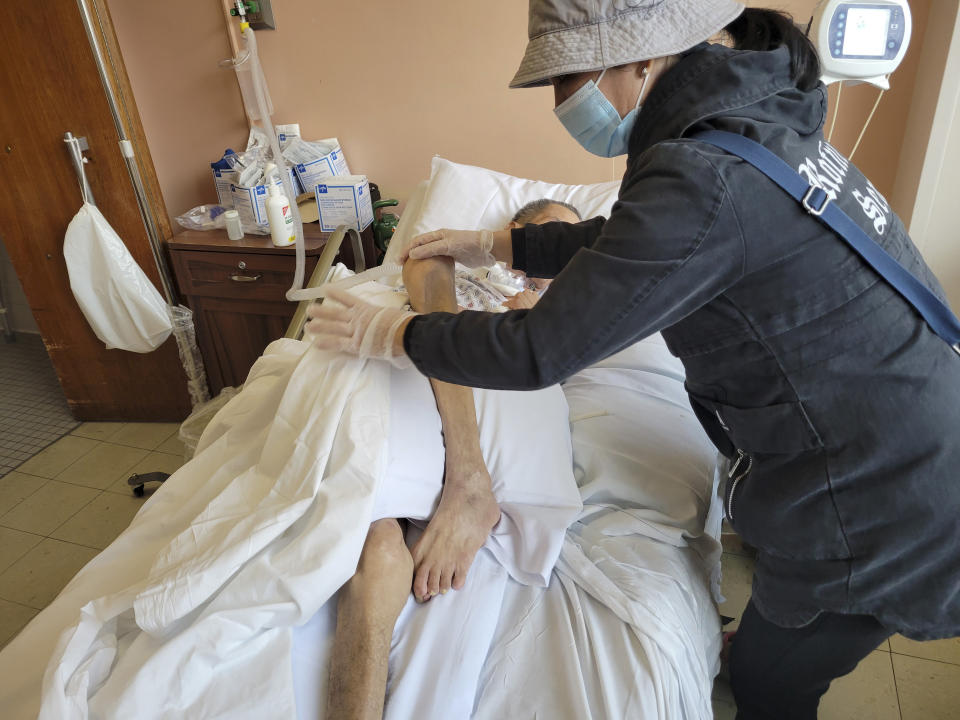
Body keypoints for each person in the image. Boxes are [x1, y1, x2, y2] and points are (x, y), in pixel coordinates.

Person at [305, 2, 960, 718]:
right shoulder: (752, 121)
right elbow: (631, 239)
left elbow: (538, 350)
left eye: (570, 79)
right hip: (917, 421)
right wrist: (496, 246)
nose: (562, 104)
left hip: (886, 496)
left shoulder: (703, 178)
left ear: (641, 58)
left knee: (773, 679)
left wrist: (394, 335)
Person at [319, 199, 581, 720]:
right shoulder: (462, 256)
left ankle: (426, 514)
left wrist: (535, 303)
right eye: (552, 234)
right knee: (374, 532)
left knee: (376, 528)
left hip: (480, 375)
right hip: (404, 351)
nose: (559, 254)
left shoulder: (569, 312)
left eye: (572, 247)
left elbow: (551, 357)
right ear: (514, 232)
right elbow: (422, 269)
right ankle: (414, 520)